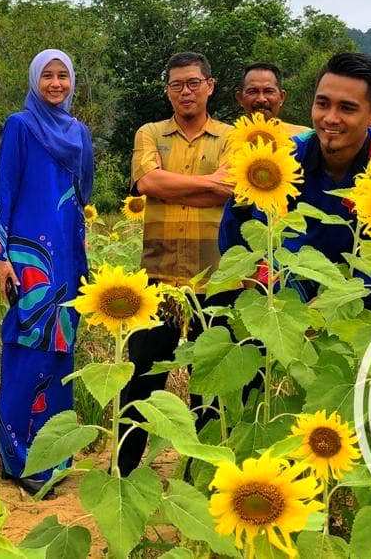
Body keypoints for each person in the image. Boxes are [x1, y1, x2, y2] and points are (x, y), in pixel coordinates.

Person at [219, 51, 371, 312]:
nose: (330, 118)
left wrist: (331, 306)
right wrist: (256, 281)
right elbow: (244, 219)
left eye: (347, 108)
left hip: (358, 297)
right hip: (290, 290)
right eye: (322, 103)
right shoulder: (284, 158)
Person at [118, 51, 234, 476]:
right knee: (143, 380)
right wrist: (207, 184)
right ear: (167, 90)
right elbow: (147, 182)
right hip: (159, 279)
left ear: (210, 85)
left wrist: (173, 187)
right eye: (176, 85)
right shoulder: (149, 133)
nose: (185, 91)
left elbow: (232, 188)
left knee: (208, 384)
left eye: (192, 83)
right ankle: (125, 470)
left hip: (215, 280)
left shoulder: (232, 137)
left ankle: (201, 473)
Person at [0, 49, 94, 494]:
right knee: (26, 345)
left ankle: (52, 459)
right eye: (47, 76)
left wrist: (83, 243)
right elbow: (4, 189)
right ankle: (17, 458)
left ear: (72, 82)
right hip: (29, 255)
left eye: (62, 76)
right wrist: (0, 255)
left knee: (60, 351)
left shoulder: (80, 133)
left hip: (68, 254)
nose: (55, 84)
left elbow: (80, 192)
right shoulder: (20, 126)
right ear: (34, 80)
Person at [235, 62, 309, 136]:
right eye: (252, 92)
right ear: (240, 98)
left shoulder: (304, 139)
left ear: (282, 97)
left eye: (269, 91)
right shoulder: (227, 140)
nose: (261, 99)